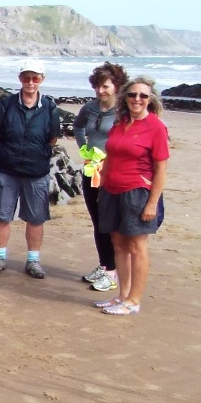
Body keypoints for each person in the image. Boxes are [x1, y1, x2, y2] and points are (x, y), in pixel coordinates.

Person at [94, 76, 169, 316]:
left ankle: (134, 300)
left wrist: (152, 203)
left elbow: (161, 169)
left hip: (137, 193)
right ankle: (122, 296)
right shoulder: (120, 123)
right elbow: (110, 157)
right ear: (124, 97)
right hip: (111, 191)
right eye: (132, 94)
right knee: (118, 244)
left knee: (136, 246)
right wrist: (102, 186)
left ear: (150, 99)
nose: (137, 99)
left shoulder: (156, 127)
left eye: (143, 95)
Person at [0, 61, 61, 279]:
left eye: (35, 78)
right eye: (26, 78)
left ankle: (33, 261)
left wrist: (38, 154)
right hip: (6, 169)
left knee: (36, 218)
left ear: (42, 80)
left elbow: (53, 138)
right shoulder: (6, 105)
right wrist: (6, 153)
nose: (30, 82)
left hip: (37, 172)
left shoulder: (50, 108)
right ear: (20, 79)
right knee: (1, 216)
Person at [73, 62, 129, 291]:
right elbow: (77, 127)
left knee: (110, 222)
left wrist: (112, 159)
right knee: (97, 220)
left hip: (112, 173)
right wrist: (84, 150)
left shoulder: (123, 111)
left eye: (105, 86)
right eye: (97, 86)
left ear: (116, 86)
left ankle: (112, 271)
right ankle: (104, 264)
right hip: (91, 171)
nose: (100, 91)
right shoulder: (89, 108)